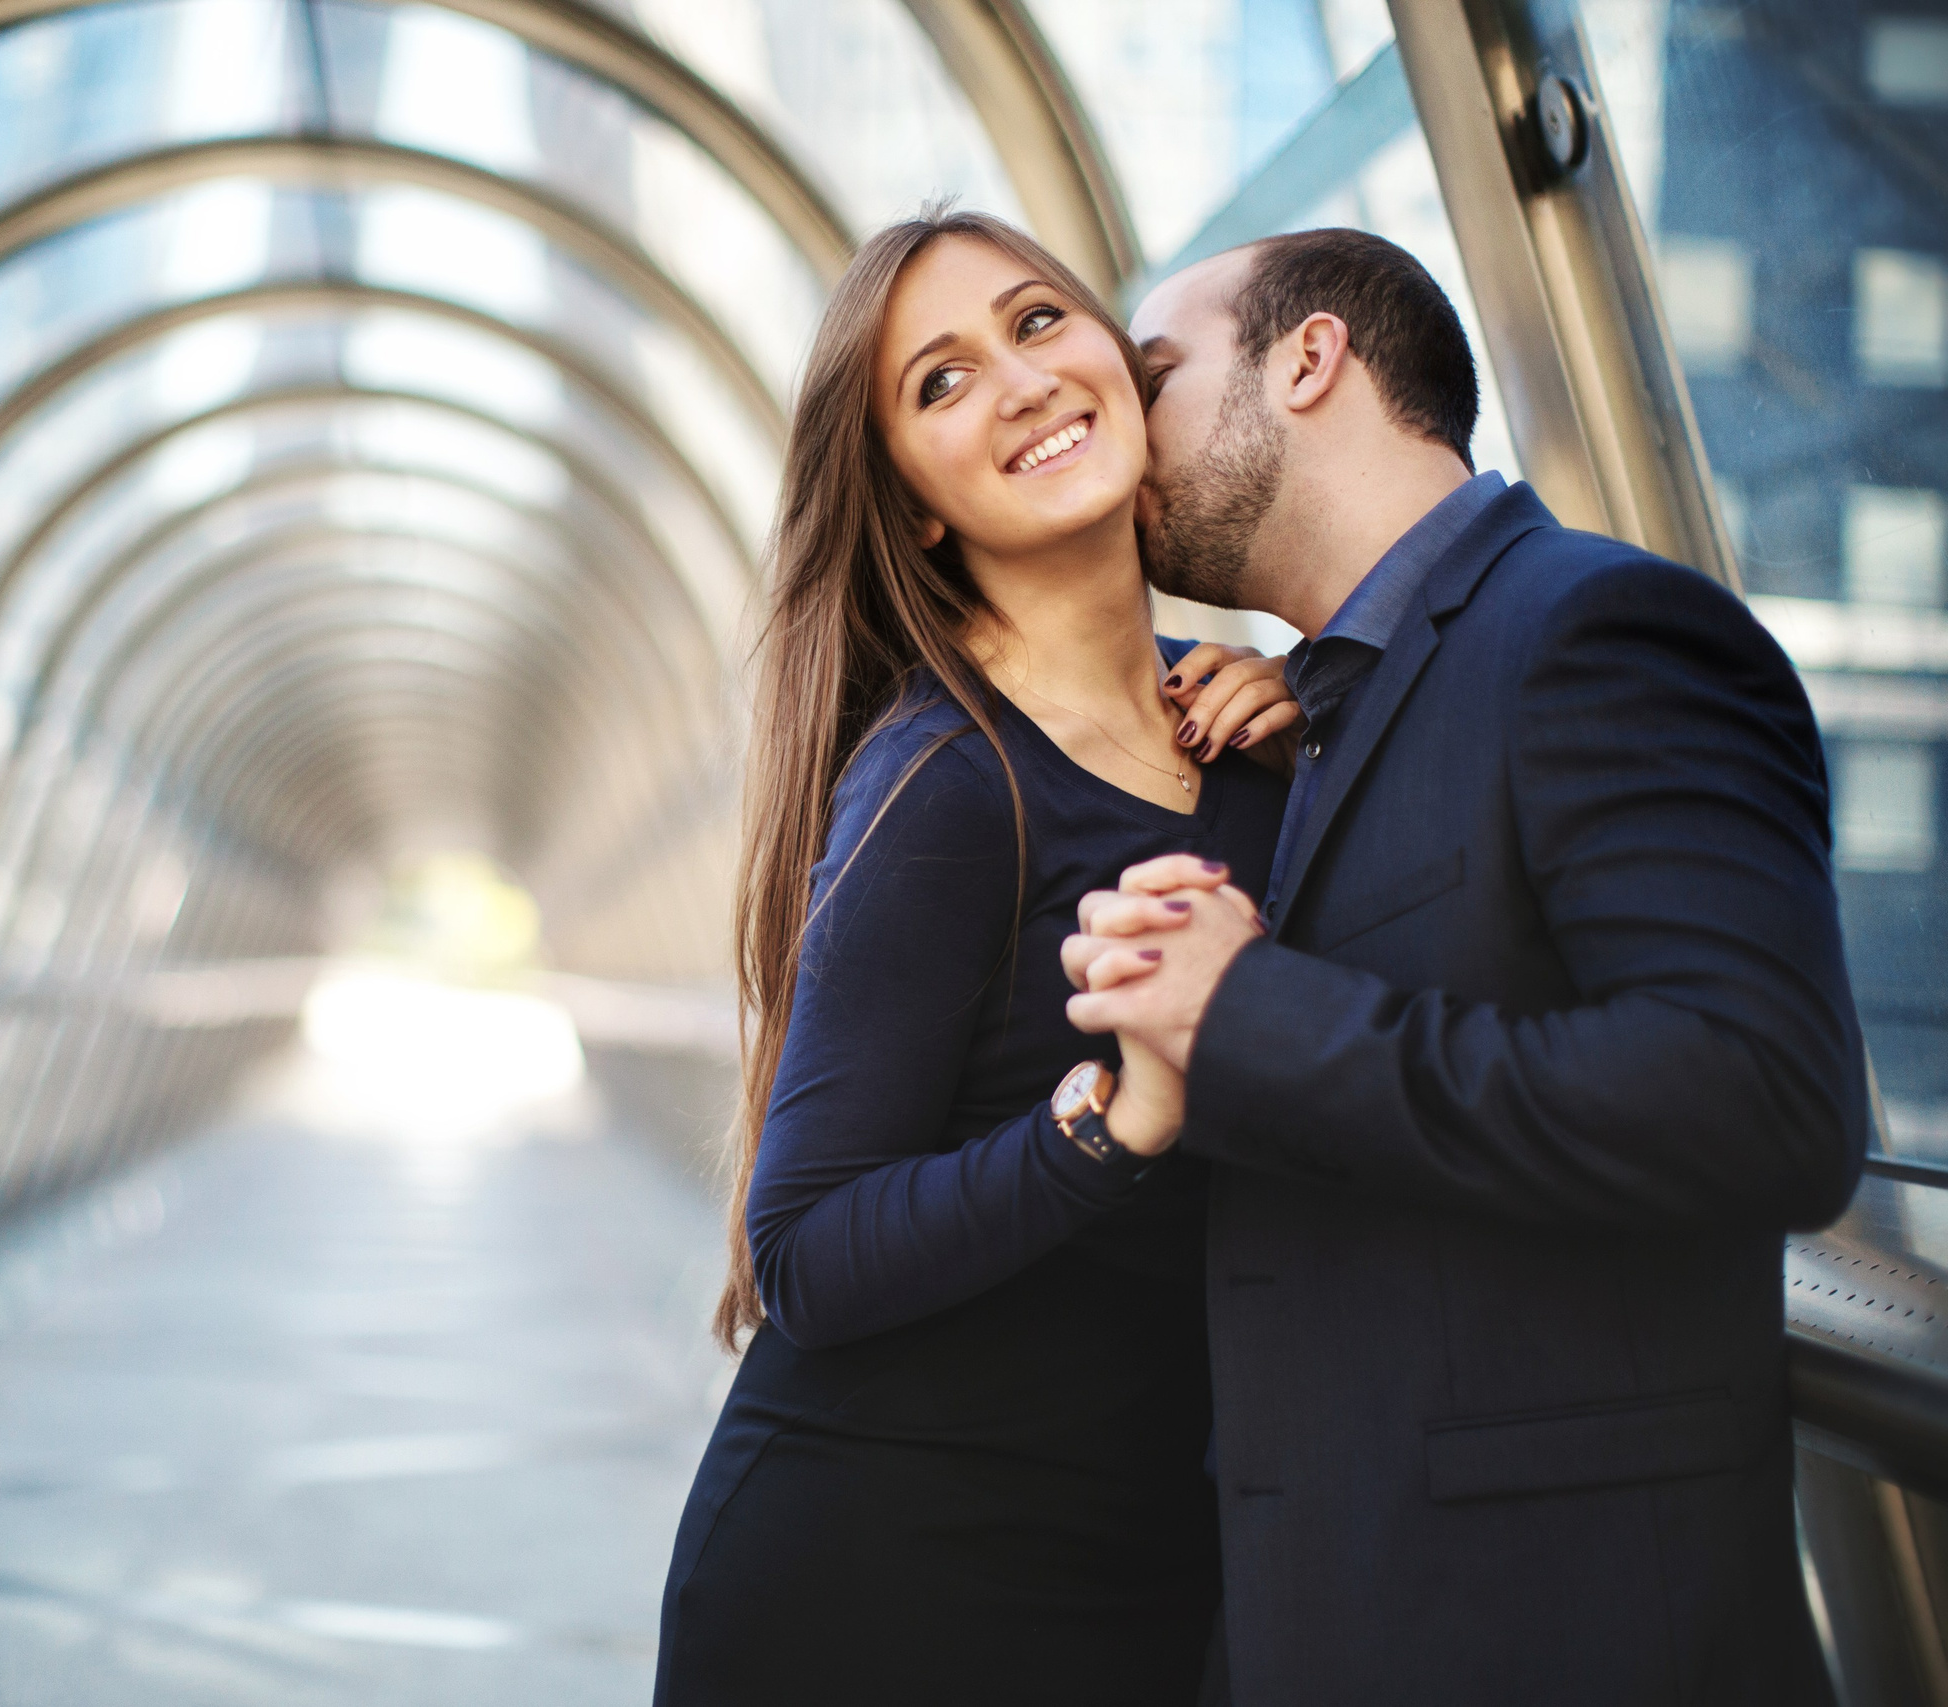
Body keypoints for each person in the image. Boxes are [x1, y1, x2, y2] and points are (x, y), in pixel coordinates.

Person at [1063, 227, 1866, 1705]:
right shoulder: (1320, 719)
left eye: (1156, 377)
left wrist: (1246, 1011)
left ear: (1309, 359)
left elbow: (1764, 1099)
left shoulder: (1598, 633)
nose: (1120, 435)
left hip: (1562, 1642)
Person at [650, 209, 1301, 1705]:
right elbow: (802, 1248)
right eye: (938, 385)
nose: (1017, 384)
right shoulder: (948, 780)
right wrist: (1115, 1115)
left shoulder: (1253, 743)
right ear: (918, 508)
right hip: (883, 1585)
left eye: (1037, 324)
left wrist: (1313, 681)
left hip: (1140, 1578)